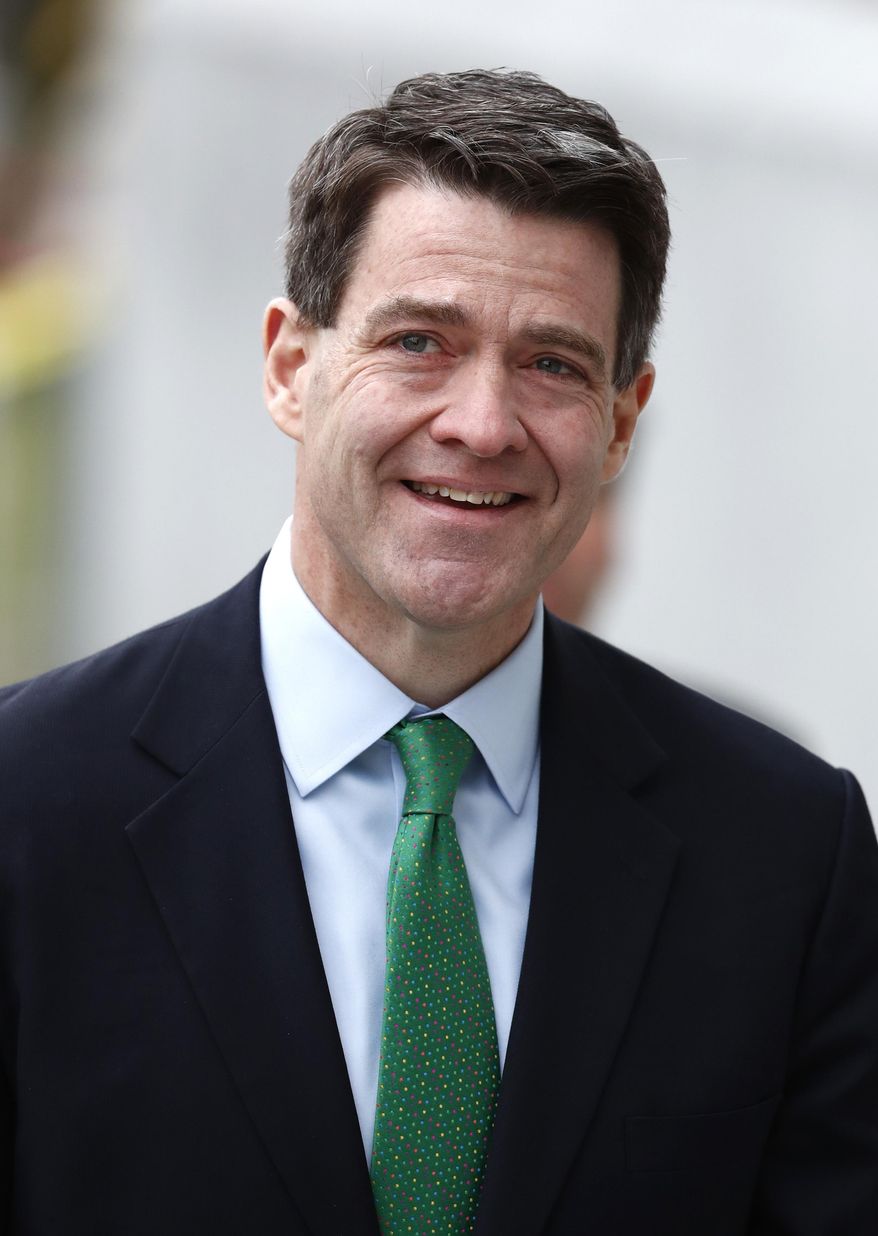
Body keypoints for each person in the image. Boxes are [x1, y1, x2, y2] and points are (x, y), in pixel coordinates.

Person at [1, 69, 876, 1236]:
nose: (480, 422)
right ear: (288, 368)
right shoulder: (24, 805)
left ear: (621, 422)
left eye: (554, 364)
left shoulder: (780, 854)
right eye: (419, 341)